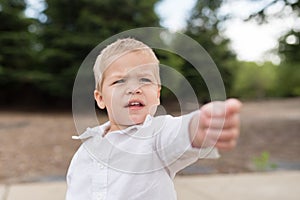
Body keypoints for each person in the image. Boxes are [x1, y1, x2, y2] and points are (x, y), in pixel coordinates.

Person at [66, 38, 242, 200]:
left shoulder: (157, 135)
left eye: (144, 79)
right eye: (119, 81)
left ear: (157, 95)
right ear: (100, 98)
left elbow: (180, 133)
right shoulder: (84, 152)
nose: (134, 88)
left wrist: (201, 125)